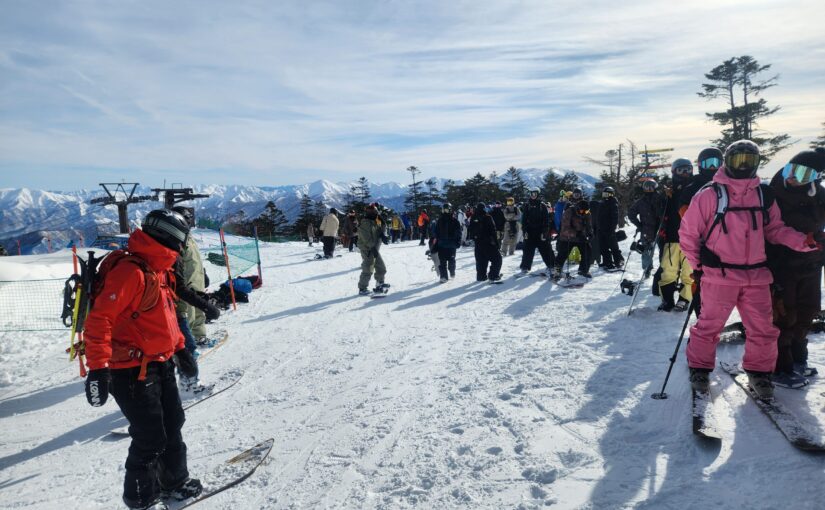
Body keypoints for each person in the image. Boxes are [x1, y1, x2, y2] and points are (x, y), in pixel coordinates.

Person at [680, 140, 818, 400]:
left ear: (756, 164)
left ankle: (759, 371)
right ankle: (699, 368)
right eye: (737, 160)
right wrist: (699, 265)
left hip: (756, 275)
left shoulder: (763, 195)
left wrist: (804, 242)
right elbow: (688, 234)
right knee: (709, 326)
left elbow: (775, 230)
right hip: (719, 276)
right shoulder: (710, 195)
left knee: (763, 329)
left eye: (749, 161)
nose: (743, 166)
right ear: (727, 162)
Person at [83, 209, 202, 509]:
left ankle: (174, 482)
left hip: (159, 362)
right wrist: (98, 369)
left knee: (173, 422)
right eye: (181, 242)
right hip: (131, 371)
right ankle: (140, 500)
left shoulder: (156, 269)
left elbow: (164, 319)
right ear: (169, 239)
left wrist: (179, 349)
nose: (182, 249)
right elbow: (99, 322)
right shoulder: (131, 272)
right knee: (150, 438)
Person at [767, 149, 825, 388]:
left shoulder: (819, 194)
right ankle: (780, 366)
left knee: (808, 309)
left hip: (811, 263)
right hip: (782, 265)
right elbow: (772, 230)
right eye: (791, 169)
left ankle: (799, 358)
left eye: (802, 173)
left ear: (815, 177)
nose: (792, 177)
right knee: (783, 315)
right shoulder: (774, 193)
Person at [658, 158, 695, 311]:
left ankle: (685, 299)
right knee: (668, 271)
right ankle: (667, 300)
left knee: (689, 272)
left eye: (688, 170)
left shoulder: (697, 188)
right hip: (672, 237)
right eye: (681, 170)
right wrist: (663, 197)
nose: (685, 173)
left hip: (691, 239)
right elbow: (658, 210)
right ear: (674, 172)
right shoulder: (669, 191)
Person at [627, 180, 665, 279]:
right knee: (646, 251)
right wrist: (639, 225)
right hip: (647, 230)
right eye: (647, 187)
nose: (649, 189)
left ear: (655, 187)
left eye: (651, 187)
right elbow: (631, 214)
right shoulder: (641, 202)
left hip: (661, 228)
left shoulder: (661, 199)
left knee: (663, 250)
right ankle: (647, 269)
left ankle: (663, 269)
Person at [554, 200, 594, 279]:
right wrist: (576, 234)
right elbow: (565, 228)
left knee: (587, 250)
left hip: (581, 237)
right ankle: (557, 271)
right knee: (562, 254)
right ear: (578, 208)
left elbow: (589, 225)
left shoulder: (587, 213)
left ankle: (584, 270)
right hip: (567, 237)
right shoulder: (569, 212)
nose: (583, 213)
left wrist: (590, 233)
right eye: (582, 211)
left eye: (586, 211)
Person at [519, 188, 555, 274]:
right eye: (531, 193)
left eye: (534, 194)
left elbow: (546, 221)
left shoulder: (542, 206)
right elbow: (523, 221)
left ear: (538, 194)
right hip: (530, 231)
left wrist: (545, 232)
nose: (533, 195)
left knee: (546, 249)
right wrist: (525, 232)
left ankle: (552, 265)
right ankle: (525, 267)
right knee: (527, 250)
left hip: (540, 231)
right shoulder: (527, 206)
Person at [680, 147, 723, 213]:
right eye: (708, 164)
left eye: (716, 163)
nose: (712, 167)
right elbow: (686, 217)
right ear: (700, 165)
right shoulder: (691, 189)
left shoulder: (728, 184)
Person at [357, 203, 388, 294]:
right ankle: (362, 288)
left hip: (373, 248)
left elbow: (380, 229)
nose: (376, 214)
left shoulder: (375, 221)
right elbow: (365, 238)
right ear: (370, 213)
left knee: (381, 267)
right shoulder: (365, 223)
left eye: (376, 213)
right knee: (368, 268)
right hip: (367, 249)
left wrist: (383, 235)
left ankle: (380, 283)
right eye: (375, 213)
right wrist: (373, 248)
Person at [469, 203, 502, 281]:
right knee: (497, 259)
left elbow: (470, 231)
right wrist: (497, 244)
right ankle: (493, 276)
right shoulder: (488, 217)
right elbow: (493, 231)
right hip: (488, 243)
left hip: (478, 243)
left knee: (481, 261)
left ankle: (481, 276)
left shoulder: (473, 217)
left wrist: (475, 238)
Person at [433, 203, 462, 282]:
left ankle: (452, 272)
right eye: (443, 210)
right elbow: (436, 232)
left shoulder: (455, 221)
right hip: (442, 245)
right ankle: (444, 277)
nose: (444, 212)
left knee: (451, 260)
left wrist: (458, 241)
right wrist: (435, 240)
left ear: (450, 210)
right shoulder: (440, 221)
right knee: (442, 262)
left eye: (446, 210)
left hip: (451, 245)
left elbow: (458, 232)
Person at [597, 186, 623, 269]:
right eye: (604, 194)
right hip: (601, 228)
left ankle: (618, 261)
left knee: (613, 246)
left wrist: (612, 229)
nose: (605, 196)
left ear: (611, 194)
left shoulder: (613, 203)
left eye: (606, 194)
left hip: (609, 229)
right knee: (603, 246)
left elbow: (615, 217)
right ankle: (607, 262)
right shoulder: (602, 203)